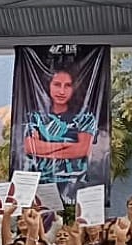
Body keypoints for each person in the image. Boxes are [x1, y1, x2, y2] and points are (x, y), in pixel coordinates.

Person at [22, 65, 97, 201]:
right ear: (48, 86)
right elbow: (29, 147)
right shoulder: (35, 117)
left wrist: (44, 147)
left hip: (74, 187)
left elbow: (83, 150)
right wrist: (66, 146)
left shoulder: (84, 117)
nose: (62, 91)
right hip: (41, 186)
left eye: (67, 86)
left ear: (74, 88)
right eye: (57, 84)